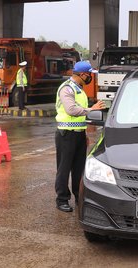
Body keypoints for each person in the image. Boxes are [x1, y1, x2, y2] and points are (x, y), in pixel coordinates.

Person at [54, 61, 105, 212]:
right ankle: (62, 199)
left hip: (78, 134)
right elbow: (71, 109)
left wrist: (83, 133)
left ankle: (79, 196)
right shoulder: (67, 88)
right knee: (64, 168)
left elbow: (80, 115)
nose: (91, 77)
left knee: (78, 168)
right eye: (89, 74)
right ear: (82, 74)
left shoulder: (79, 89)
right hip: (66, 135)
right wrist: (91, 109)